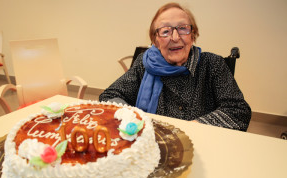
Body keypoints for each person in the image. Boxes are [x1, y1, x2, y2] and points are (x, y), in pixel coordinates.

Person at [99, 2, 251, 131]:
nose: (175, 37)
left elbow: (238, 112)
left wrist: (192, 128)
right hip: (152, 144)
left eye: (183, 28)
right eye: (165, 31)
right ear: (156, 41)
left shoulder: (213, 64)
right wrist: (132, 118)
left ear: (193, 35)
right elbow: (109, 97)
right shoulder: (145, 64)